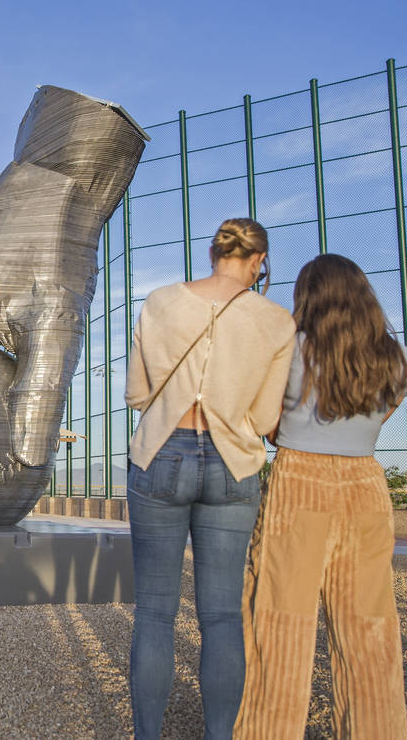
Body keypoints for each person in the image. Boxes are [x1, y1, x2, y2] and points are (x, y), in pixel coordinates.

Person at [123, 218, 296, 739]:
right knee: (221, 616)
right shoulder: (276, 321)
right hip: (234, 463)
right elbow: (267, 420)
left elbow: (136, 394)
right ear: (259, 260)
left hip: (162, 452)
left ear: (212, 253)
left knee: (155, 613)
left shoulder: (160, 302)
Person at [233, 254, 407, 738]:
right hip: (367, 489)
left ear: (307, 298)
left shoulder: (288, 350)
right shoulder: (397, 357)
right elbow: (381, 415)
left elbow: (266, 424)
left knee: (280, 631)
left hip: (300, 483)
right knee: (369, 634)